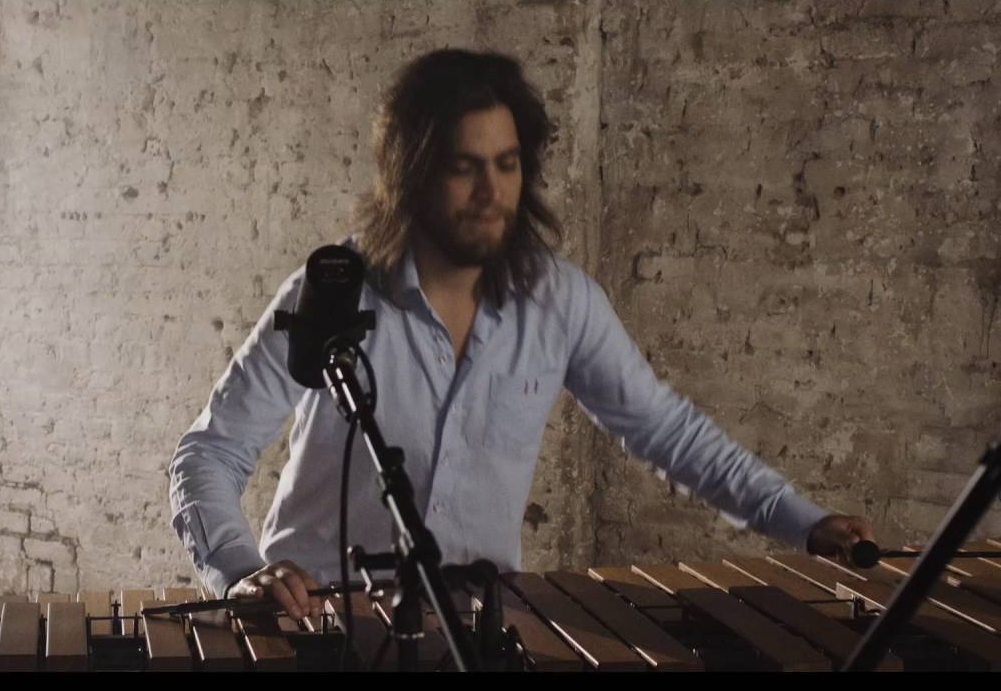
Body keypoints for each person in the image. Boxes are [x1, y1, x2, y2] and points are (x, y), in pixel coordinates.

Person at [169, 48, 875, 621]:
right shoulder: (335, 290)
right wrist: (242, 570)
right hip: (321, 625)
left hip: (477, 630)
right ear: (412, 175)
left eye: (506, 165)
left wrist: (802, 521)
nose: (492, 193)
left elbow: (667, 431)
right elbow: (211, 450)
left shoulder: (559, 301)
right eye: (464, 167)